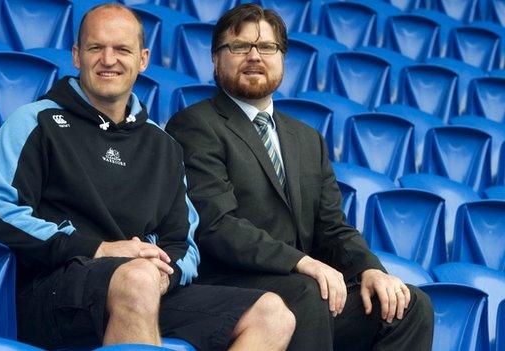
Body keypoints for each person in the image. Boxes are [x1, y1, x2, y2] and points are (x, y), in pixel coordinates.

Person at [0, 4, 295, 350]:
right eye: (96, 48)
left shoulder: (163, 145)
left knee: (273, 314)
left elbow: (183, 242)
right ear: (76, 56)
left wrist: (162, 275)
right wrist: (100, 250)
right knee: (138, 279)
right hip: (52, 290)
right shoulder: (35, 122)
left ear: (143, 59)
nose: (108, 59)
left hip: (141, 288)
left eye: (122, 49)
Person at [165, 4, 434, 351]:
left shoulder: (308, 139)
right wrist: (301, 263)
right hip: (229, 288)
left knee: (407, 306)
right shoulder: (195, 125)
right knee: (308, 292)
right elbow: (216, 225)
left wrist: (369, 270)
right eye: (239, 46)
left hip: (305, 292)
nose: (254, 56)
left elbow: (332, 227)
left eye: (267, 47)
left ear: (282, 59)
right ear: (216, 60)